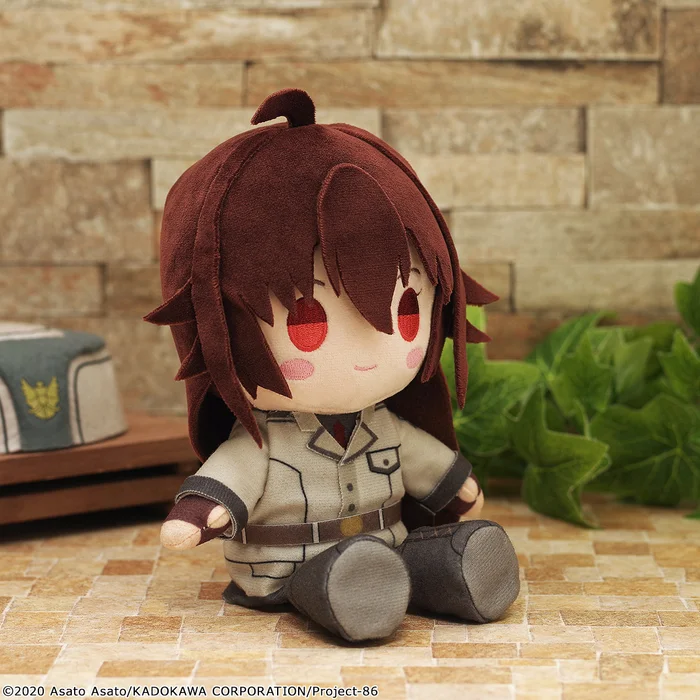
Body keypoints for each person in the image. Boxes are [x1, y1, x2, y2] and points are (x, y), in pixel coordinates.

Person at [145, 88, 520, 642]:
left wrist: (454, 484)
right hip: (286, 568)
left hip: (389, 546)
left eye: (406, 311)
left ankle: (460, 572)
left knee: (418, 561)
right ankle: (355, 592)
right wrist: (202, 511)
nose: (372, 349)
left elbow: (423, 462)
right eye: (308, 323)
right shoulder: (265, 443)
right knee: (334, 579)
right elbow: (233, 474)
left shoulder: (385, 426)